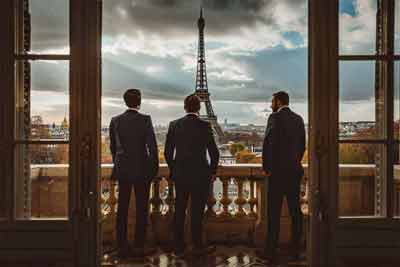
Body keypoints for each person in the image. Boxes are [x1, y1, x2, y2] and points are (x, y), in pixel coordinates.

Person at [164, 94, 220, 256]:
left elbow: (168, 152)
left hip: (180, 174)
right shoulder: (205, 126)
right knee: (197, 212)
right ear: (199, 107)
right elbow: (214, 153)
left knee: (180, 210)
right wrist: (212, 171)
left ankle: (178, 246)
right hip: (200, 174)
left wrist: (174, 168)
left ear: (184, 107)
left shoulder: (174, 125)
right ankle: (197, 244)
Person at [109, 89, 159, 258]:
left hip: (123, 169)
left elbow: (113, 148)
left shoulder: (115, 121)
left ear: (125, 102)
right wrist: (153, 169)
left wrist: (118, 163)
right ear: (139, 102)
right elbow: (152, 147)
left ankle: (121, 244)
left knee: (121, 209)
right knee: (142, 209)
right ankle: (139, 244)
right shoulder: (145, 120)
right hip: (142, 169)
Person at [257, 91, 306, 263]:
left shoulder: (274, 118)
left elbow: (268, 144)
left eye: (272, 101)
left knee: (273, 213)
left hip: (277, 173)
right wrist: (294, 162)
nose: (271, 105)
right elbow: (302, 146)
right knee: (295, 212)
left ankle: (271, 250)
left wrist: (266, 167)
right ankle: (295, 249)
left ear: (278, 102)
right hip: (293, 171)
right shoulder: (299, 119)